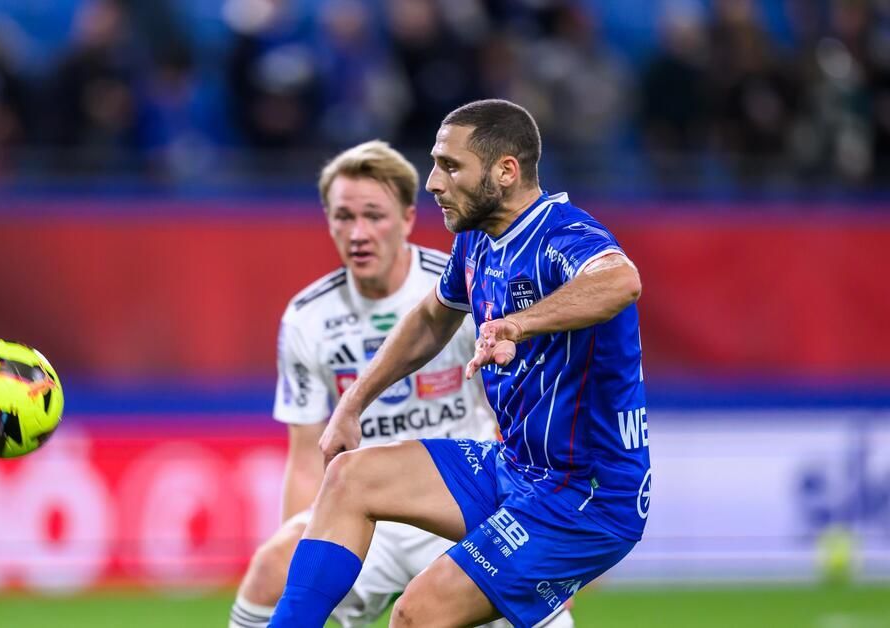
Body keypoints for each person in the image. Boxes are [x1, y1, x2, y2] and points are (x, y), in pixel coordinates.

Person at [269, 99, 650, 628]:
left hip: (586, 496)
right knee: (348, 477)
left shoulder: (562, 234)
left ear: (505, 171)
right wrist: (353, 402)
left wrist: (519, 323)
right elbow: (431, 318)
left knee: (416, 614)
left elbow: (620, 281)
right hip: (516, 467)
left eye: (450, 165)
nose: (432, 182)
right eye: (434, 163)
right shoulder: (477, 239)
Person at [229, 140, 575, 628]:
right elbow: (307, 452)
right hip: (368, 512)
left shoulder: (465, 286)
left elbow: (523, 416)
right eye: (343, 217)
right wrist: (303, 535)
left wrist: (545, 532)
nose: (358, 233)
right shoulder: (308, 317)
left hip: (458, 501)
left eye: (374, 215)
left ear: (409, 218)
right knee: (271, 569)